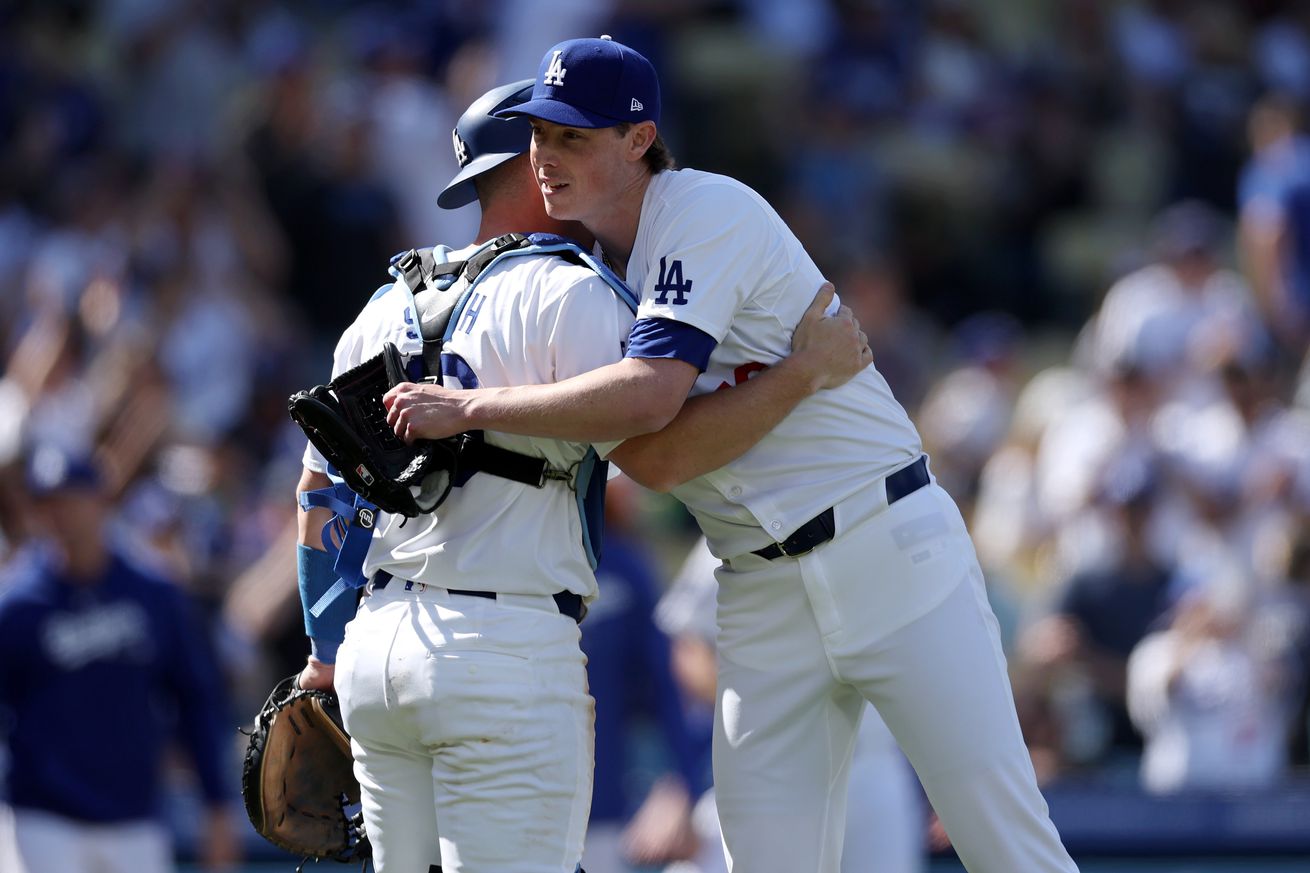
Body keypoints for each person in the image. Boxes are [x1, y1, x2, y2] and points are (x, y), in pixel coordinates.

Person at [384, 36, 1079, 873]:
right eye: (539, 134)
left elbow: (648, 397)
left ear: (639, 140)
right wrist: (797, 375)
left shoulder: (704, 210)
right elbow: (659, 461)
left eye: (574, 135)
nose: (546, 157)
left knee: (1005, 843)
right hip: (753, 585)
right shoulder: (583, 275)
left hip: (884, 539)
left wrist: (465, 408)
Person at [294, 80, 869, 873]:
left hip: (376, 649)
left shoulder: (377, 309)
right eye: (557, 145)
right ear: (534, 170)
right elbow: (659, 448)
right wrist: (801, 373)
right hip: (501, 644)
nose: (566, 161)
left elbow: (319, 496)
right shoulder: (569, 291)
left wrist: (326, 648)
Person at [0, 444, 236, 873]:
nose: (61, 515)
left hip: (135, 818)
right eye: (48, 504)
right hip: (42, 819)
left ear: (99, 500)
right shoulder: (16, 605)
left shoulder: (152, 594)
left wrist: (216, 804)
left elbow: (195, 699)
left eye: (71, 499)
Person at [656, 535, 927, 873]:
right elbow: (688, 644)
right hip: (777, 760)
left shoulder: (886, 510)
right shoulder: (736, 515)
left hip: (872, 764)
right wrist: (758, 712)